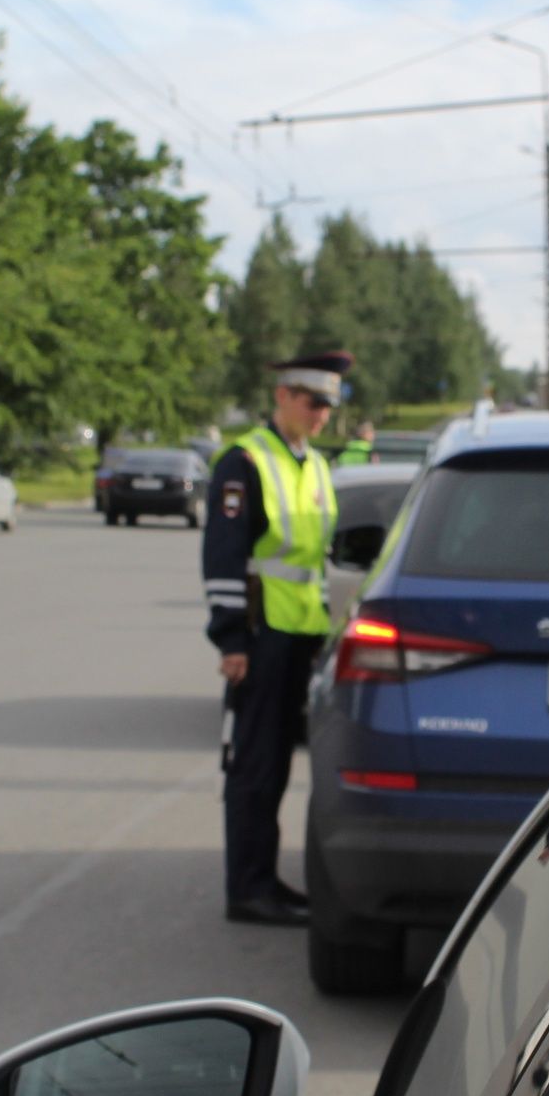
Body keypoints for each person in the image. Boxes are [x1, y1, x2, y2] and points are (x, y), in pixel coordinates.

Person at [202, 351, 347, 926]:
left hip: (301, 636)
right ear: (283, 395)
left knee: (279, 766)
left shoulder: (311, 464)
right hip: (260, 638)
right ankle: (248, 889)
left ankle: (267, 881)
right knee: (254, 767)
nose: (321, 416)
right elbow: (223, 557)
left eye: (329, 407)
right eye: (312, 403)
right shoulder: (244, 462)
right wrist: (231, 639)